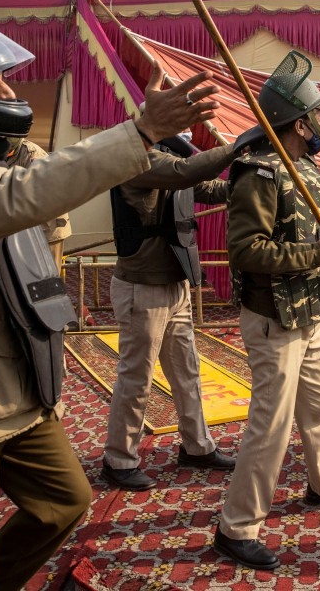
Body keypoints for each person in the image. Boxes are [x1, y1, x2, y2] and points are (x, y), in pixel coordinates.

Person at [0, 26, 218, 589]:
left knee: (64, 501)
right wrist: (143, 129)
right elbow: (23, 194)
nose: (7, 91)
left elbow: (27, 176)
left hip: (11, 389)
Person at [216, 51, 320, 571]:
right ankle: (236, 527)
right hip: (274, 318)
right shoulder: (258, 174)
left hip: (310, 313)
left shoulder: (306, 167)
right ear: (300, 123)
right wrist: (317, 255)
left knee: (318, 409)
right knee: (270, 426)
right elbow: (246, 251)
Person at [102, 131, 238, 491]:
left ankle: (197, 447)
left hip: (174, 283)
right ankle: (118, 459)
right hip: (142, 288)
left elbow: (208, 187)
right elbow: (185, 171)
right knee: (137, 379)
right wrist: (239, 146)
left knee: (186, 371)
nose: (186, 137)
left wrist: (251, 178)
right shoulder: (140, 158)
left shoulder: (169, 164)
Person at [5, 138, 71, 270]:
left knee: (48, 279)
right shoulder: (1, 151)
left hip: (48, 229)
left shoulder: (33, 155)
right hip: (23, 229)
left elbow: (44, 194)